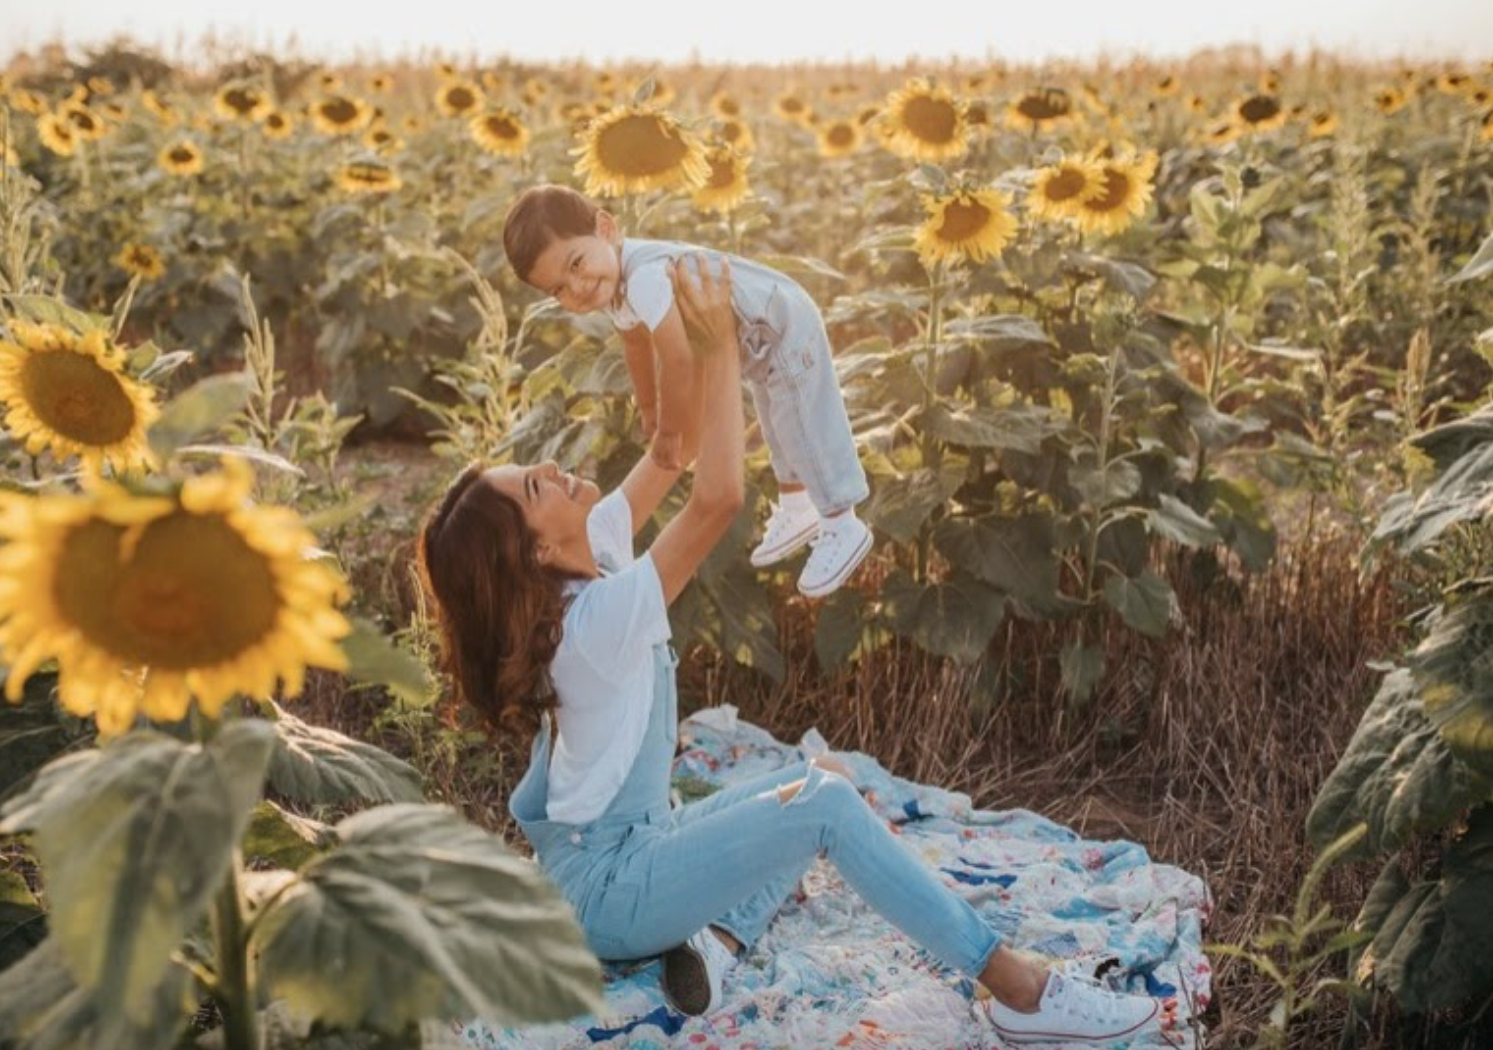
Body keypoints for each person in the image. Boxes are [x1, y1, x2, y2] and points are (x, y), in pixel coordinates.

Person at [418, 255, 1163, 1044]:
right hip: (610, 891)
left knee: (822, 777)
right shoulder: (592, 624)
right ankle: (1023, 994)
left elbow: (671, 452)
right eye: (532, 487)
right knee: (826, 807)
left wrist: (654, 319)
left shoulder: (591, 544)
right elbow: (719, 497)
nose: (547, 467)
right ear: (535, 555)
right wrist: (723, 348)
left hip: (631, 850)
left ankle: (716, 943)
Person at [500, 183, 872, 600]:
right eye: (559, 289)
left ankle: (842, 519)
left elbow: (677, 359)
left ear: (605, 227)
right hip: (758, 338)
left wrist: (671, 432)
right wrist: (648, 408)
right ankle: (797, 506)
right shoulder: (615, 287)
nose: (578, 286)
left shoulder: (642, 278)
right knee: (778, 418)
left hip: (778, 322)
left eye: (576, 263)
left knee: (804, 419)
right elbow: (636, 344)